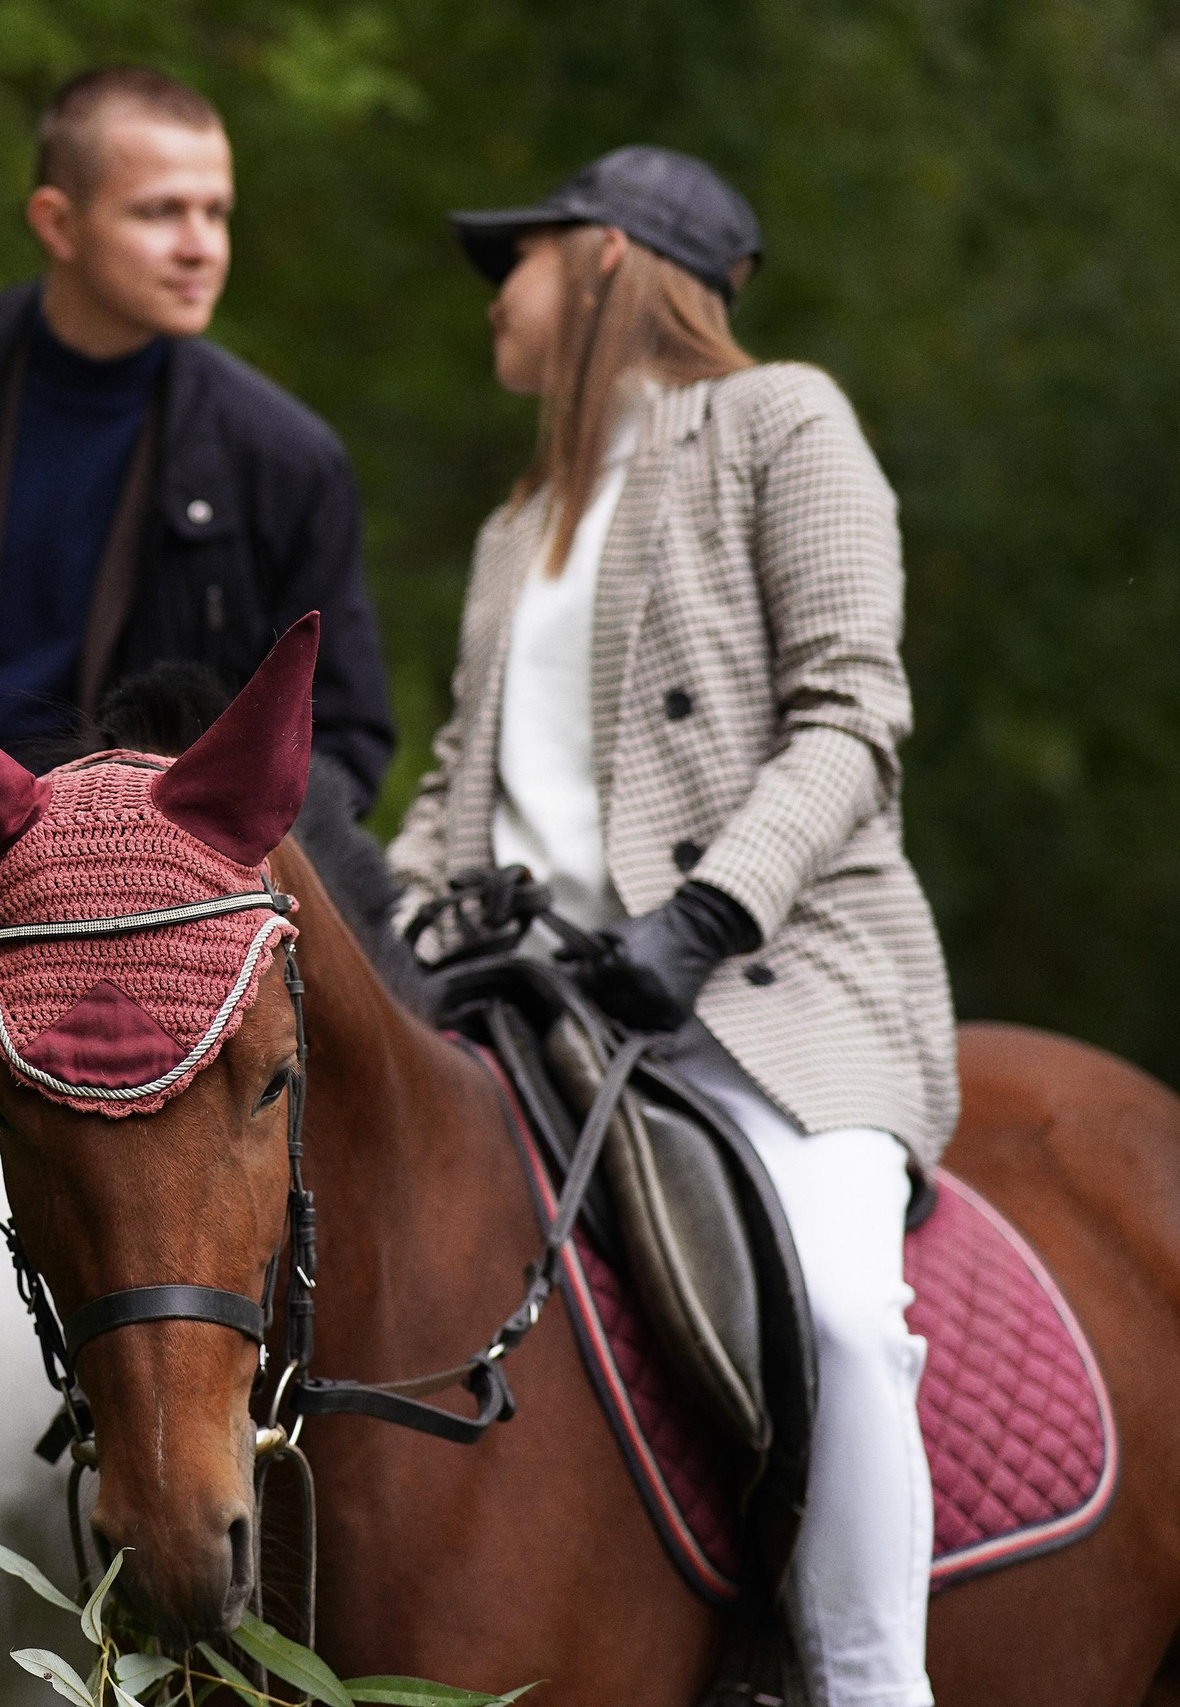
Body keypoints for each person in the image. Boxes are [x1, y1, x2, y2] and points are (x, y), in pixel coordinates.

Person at [388, 145, 957, 1706]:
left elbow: (855, 712)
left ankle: (866, 1681)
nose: (493, 294)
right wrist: (399, 937)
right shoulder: (522, 524)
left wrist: (704, 916)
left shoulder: (782, 420)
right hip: (537, 1005)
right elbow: (458, 784)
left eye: (516, 256)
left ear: (606, 258)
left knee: (841, 1310)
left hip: (767, 993)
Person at [0, 65, 395, 832]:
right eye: (160, 212)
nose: (201, 247)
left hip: (134, 907)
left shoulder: (284, 460)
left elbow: (343, 740)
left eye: (217, 212)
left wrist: (189, 873)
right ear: (58, 223)